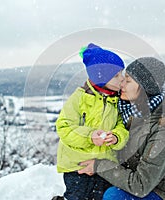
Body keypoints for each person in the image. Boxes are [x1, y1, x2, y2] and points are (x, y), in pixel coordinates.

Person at [78, 57, 165, 200]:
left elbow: (141, 185)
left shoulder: (162, 129)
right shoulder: (124, 112)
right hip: (137, 188)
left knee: (114, 197)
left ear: (144, 88)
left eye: (127, 80)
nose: (122, 83)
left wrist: (100, 166)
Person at [53, 43, 129, 200]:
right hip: (78, 167)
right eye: (116, 76)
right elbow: (64, 127)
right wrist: (89, 136)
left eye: (121, 73)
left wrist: (116, 137)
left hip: (104, 165)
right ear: (101, 78)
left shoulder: (117, 100)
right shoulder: (79, 98)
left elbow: (122, 126)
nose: (122, 78)